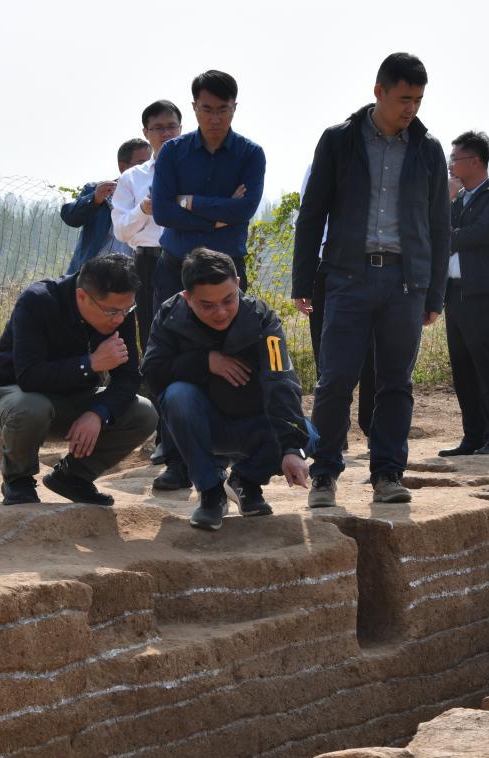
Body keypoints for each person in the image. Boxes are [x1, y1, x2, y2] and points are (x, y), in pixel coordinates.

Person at [292, 52, 449, 507]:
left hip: (405, 283)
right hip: (348, 277)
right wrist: (303, 280)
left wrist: (434, 292)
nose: (411, 109)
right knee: (335, 379)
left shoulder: (428, 148)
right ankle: (324, 475)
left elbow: (439, 226)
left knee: (395, 382)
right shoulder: (339, 141)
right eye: (403, 99)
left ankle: (387, 474)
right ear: (379, 91)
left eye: (418, 100)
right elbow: (312, 213)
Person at [148, 69, 266, 492]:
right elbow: (163, 211)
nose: (215, 118)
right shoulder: (173, 152)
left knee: (231, 355)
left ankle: (221, 456)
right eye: (207, 109)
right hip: (175, 267)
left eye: (223, 109)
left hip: (227, 273)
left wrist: (190, 202)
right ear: (194, 108)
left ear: (235, 108)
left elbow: (245, 209)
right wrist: (217, 212)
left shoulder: (250, 154)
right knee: (172, 359)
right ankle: (175, 459)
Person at [141, 248, 313, 531]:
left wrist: (292, 448)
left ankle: (245, 481)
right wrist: (205, 362)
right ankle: (211, 493)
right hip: (203, 425)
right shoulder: (171, 315)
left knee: (306, 436)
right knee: (178, 396)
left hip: (255, 424)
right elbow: (153, 371)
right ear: (187, 298)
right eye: (207, 305)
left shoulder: (262, 318)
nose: (220, 312)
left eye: (228, 300)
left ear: (238, 284)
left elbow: (281, 381)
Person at [0, 254, 158, 506]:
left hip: (71, 402)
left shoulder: (119, 312)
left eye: (127, 310)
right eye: (112, 311)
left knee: (144, 412)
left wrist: (98, 413)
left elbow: (128, 379)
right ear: (82, 296)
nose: (120, 319)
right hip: (10, 401)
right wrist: (90, 364)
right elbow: (29, 377)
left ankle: (73, 477)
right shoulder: (38, 301)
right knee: (31, 407)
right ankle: (18, 480)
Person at [437, 130, 489, 457]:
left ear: (474, 161)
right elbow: (435, 231)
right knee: (462, 368)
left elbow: (478, 235)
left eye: (455, 159)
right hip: (454, 292)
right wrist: (447, 201)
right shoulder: (456, 199)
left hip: (485, 292)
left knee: (486, 365)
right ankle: (472, 437)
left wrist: (447, 235)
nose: (450, 165)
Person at [300, 165, 375, 438]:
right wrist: (302, 282)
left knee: (374, 352)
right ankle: (334, 432)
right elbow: (308, 221)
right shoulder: (320, 166)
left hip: (373, 266)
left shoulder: (384, 161)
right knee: (327, 353)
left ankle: (374, 426)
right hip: (326, 267)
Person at [111, 100, 184, 355]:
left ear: (181, 128)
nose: (166, 133)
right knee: (152, 332)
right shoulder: (132, 178)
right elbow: (121, 231)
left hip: (190, 258)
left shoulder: (196, 172)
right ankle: (154, 377)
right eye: (158, 128)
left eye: (172, 126)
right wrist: (143, 209)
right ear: (146, 132)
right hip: (148, 262)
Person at [61, 139, 152, 275]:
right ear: (123, 167)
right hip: (91, 276)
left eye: (150, 164)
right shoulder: (99, 191)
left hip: (132, 277)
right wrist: (94, 199)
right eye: (141, 164)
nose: (147, 169)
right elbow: (70, 217)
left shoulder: (152, 197)